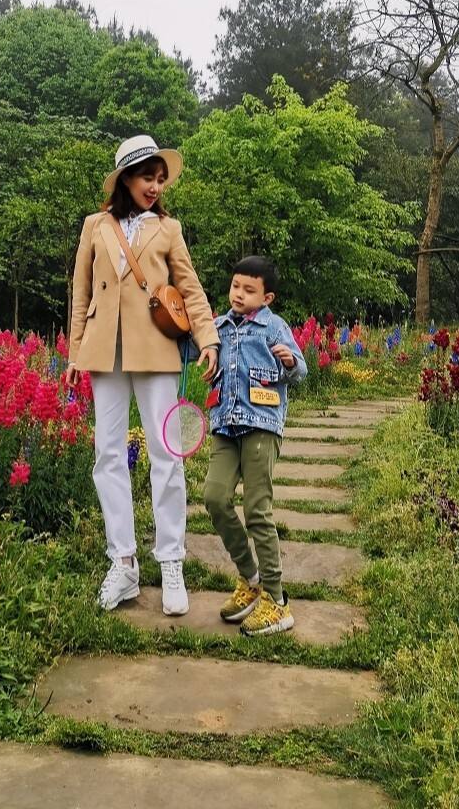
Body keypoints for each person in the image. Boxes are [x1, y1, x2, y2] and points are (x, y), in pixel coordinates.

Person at [65, 135, 219, 616]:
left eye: (159, 178)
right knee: (107, 455)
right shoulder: (95, 225)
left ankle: (170, 559)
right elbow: (81, 290)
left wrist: (208, 338)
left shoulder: (169, 229)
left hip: (155, 350)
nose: (154, 186)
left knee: (166, 455)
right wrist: (74, 353)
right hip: (103, 349)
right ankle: (124, 562)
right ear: (124, 180)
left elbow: (189, 288)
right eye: (145, 177)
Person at [202, 255, 307, 636]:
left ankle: (277, 602)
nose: (239, 295)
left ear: (267, 297)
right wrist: (205, 354)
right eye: (235, 287)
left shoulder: (273, 327)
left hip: (262, 425)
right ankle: (251, 577)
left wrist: (290, 361)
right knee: (214, 497)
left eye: (249, 290)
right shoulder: (219, 326)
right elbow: (197, 347)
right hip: (225, 425)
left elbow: (301, 369)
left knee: (257, 509)